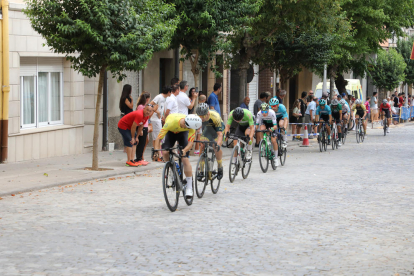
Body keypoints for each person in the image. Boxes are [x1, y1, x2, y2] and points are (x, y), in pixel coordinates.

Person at [154, 114, 202, 198]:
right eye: (185, 126)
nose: (185, 127)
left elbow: (190, 144)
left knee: (185, 159)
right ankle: (172, 168)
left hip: (182, 134)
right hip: (171, 132)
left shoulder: (190, 127)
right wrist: (157, 151)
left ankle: (189, 187)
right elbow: (158, 139)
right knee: (165, 152)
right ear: (185, 122)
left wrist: (184, 151)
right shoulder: (170, 122)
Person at [195, 103, 225, 179]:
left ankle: (220, 167)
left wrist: (218, 144)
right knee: (202, 145)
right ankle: (201, 170)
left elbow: (220, 134)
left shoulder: (215, 116)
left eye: (203, 116)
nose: (201, 118)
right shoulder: (197, 116)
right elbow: (196, 130)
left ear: (208, 113)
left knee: (216, 147)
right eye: (200, 116)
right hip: (208, 129)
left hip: (217, 130)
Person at [255, 103, 280, 167]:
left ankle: (276, 158)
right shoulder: (259, 113)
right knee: (261, 129)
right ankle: (263, 142)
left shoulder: (272, 113)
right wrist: (254, 130)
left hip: (272, 124)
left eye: (265, 111)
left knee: (273, 140)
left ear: (268, 110)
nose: (264, 113)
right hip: (265, 123)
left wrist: (272, 128)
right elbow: (257, 125)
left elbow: (275, 126)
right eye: (262, 111)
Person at [150, 86, 171, 155]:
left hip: (159, 119)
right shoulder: (158, 97)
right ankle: (157, 154)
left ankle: (157, 154)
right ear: (168, 92)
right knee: (157, 137)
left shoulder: (165, 98)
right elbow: (150, 105)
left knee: (159, 137)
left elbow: (162, 108)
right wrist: (156, 111)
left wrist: (162, 116)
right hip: (154, 119)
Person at [135, 92, 151, 166]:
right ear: (147, 99)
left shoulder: (144, 106)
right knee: (141, 143)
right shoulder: (141, 106)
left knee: (143, 142)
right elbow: (140, 117)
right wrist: (140, 129)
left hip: (145, 126)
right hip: (142, 126)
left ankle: (140, 158)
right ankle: (138, 158)